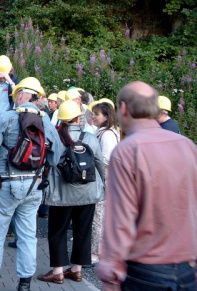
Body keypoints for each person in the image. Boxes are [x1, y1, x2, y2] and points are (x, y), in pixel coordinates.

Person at [97, 81, 197, 291]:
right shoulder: (188, 147)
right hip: (185, 271)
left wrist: (110, 274)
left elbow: (120, 220)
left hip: (144, 274)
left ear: (124, 108)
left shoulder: (127, 151)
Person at [0, 77, 61, 291]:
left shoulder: (5, 119)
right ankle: (24, 285)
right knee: (28, 236)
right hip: (33, 188)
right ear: (37, 97)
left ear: (20, 95)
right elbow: (55, 157)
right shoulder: (46, 122)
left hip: (5, 186)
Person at [37, 100, 105, 284]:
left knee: (57, 231)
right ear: (78, 118)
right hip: (88, 193)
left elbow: (48, 163)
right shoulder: (89, 137)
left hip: (62, 193)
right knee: (83, 230)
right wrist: (105, 185)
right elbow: (99, 163)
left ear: (61, 119)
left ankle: (57, 271)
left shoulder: (56, 138)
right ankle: (77, 270)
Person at [89, 100, 120, 265]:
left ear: (106, 116)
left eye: (97, 114)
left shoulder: (107, 134)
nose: (93, 116)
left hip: (104, 180)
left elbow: (107, 159)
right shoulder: (108, 131)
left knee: (98, 216)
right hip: (104, 179)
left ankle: (96, 252)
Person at [0, 55, 19, 125]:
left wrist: (9, 80)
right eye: (0, 75)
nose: (2, 77)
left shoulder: (14, 82)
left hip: (8, 119)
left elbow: (18, 96)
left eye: (4, 76)